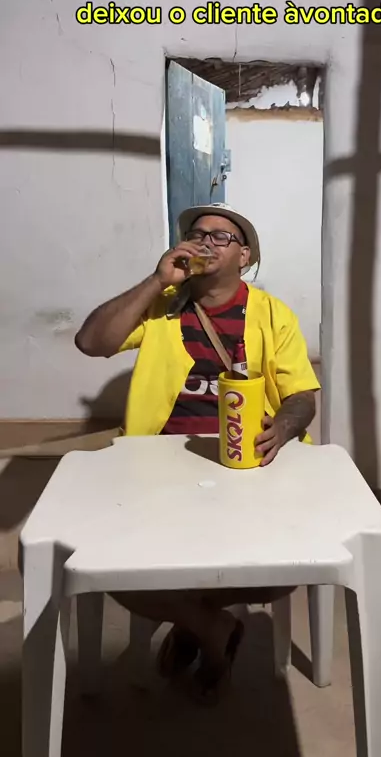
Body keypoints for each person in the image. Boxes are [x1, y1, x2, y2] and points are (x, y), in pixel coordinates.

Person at [75, 202, 320, 703]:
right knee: (111, 567)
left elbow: (302, 396)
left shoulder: (273, 315)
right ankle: (213, 629)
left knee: (277, 574)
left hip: (247, 467)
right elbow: (91, 342)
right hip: (159, 467)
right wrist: (155, 281)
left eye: (220, 236)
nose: (205, 241)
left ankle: (192, 622)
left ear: (245, 257)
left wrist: (283, 428)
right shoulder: (162, 306)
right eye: (197, 233)